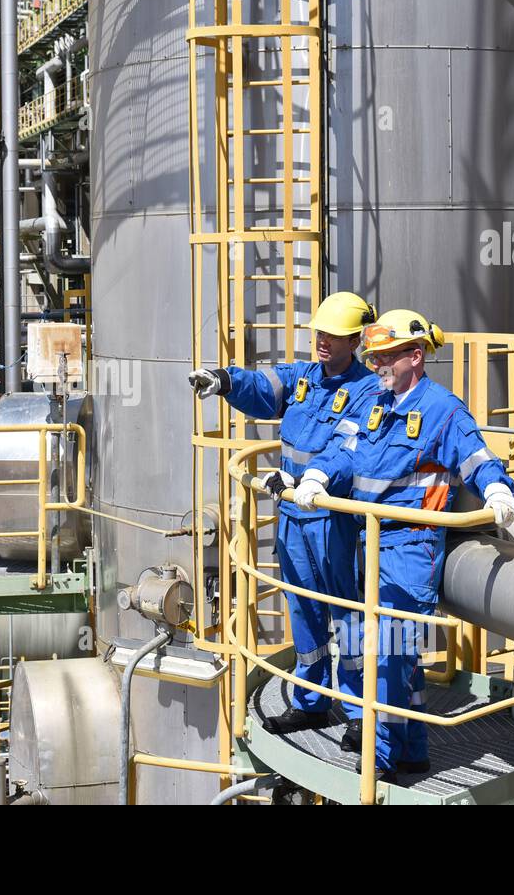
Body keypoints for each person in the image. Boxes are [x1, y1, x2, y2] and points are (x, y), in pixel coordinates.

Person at [293, 309, 514, 783]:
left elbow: (476, 456)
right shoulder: (378, 399)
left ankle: (379, 764)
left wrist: (498, 489)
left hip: (409, 549)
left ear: (415, 357)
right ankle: (413, 750)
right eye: (374, 358)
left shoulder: (442, 409)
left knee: (388, 655)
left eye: (387, 358)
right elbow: (344, 449)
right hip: (368, 541)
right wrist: (316, 473)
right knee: (401, 659)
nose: (377, 367)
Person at [189, 292, 383, 734]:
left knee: (347, 613)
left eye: (334, 336)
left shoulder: (368, 390)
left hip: (335, 520)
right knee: (303, 610)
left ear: (355, 341)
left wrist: (307, 480)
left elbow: (348, 448)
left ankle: (358, 714)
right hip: (294, 519)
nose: (323, 342)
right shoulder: (304, 378)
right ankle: (311, 701)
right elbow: (263, 388)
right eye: (319, 333)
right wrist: (223, 381)